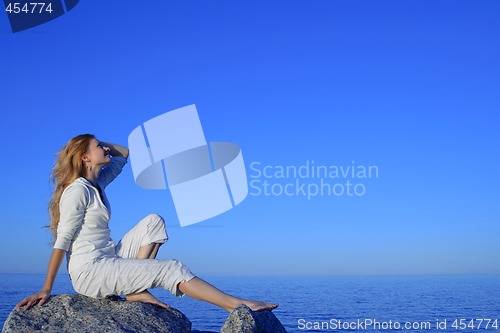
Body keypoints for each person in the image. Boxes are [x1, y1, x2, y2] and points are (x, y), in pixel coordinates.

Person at [16, 134, 278, 313]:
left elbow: (125, 154)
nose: (105, 148)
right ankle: (237, 305)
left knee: (154, 222)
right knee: (171, 269)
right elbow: (62, 241)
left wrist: (95, 144)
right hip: (91, 270)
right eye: (99, 147)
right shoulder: (77, 191)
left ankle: (135, 289)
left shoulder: (98, 182)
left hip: (109, 258)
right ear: (85, 157)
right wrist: (46, 288)